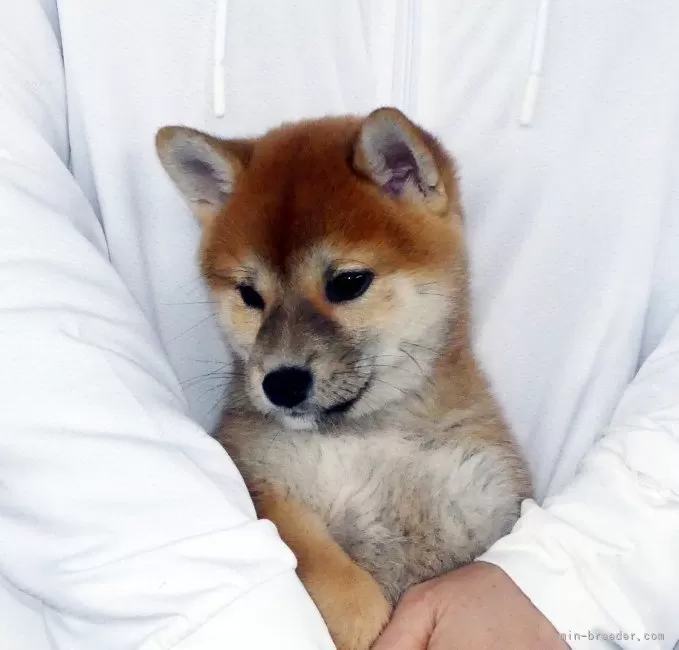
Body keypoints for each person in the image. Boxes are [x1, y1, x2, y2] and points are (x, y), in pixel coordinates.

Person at [1, 2, 678, 649]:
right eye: (251, 298)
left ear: (412, 176)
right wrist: (212, 611)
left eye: (346, 286)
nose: (284, 356)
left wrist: (579, 583)